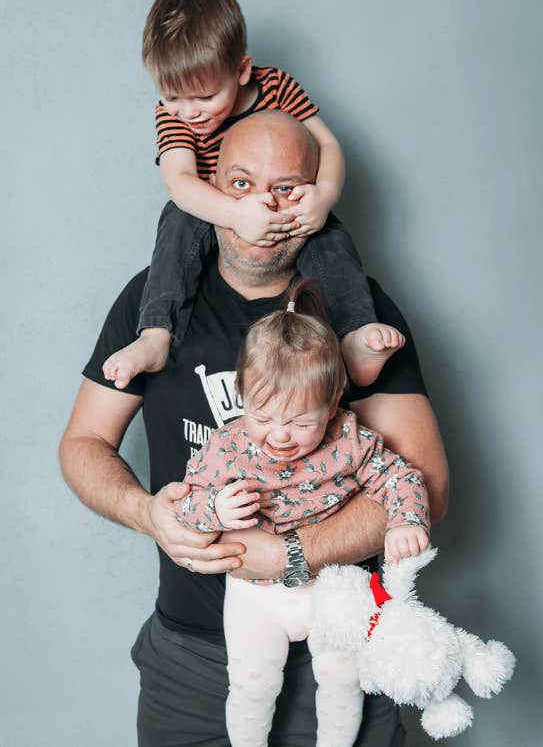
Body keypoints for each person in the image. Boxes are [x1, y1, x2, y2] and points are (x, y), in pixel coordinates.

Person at [59, 110, 449, 746]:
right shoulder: (151, 303)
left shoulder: (359, 315)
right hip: (191, 662)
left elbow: (423, 485)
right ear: (209, 185)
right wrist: (146, 513)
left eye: (288, 188)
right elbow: (83, 445)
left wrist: (294, 555)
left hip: (341, 642)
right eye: (241, 184)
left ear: (319, 193)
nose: (265, 209)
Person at [101, 0, 405, 392]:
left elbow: (328, 142)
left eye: (205, 97)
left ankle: (354, 338)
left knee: (329, 235)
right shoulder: (173, 115)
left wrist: (324, 195)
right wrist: (236, 214)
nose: (188, 112)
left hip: (284, 204)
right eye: (171, 96)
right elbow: (180, 181)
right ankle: (156, 334)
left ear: (242, 71)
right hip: (217, 205)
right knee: (177, 220)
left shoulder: (276, 86)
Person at [174, 278, 430, 747]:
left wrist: (407, 520)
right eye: (263, 417)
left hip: (332, 586)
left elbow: (402, 477)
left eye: (300, 422)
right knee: (253, 685)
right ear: (243, 394)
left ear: (333, 405)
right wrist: (214, 507)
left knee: (341, 678)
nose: (280, 436)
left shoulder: (349, 438)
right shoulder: (227, 447)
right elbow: (183, 509)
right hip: (255, 593)